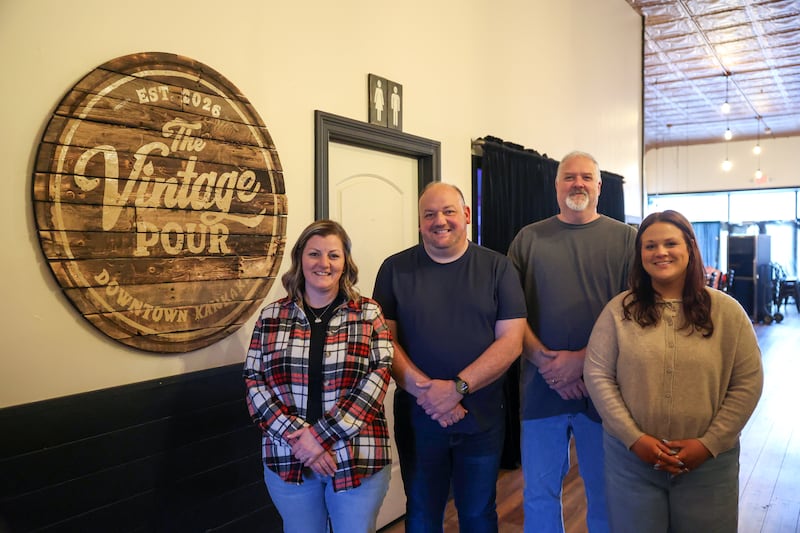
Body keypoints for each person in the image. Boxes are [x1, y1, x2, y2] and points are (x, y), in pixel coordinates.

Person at [584, 210, 763, 533]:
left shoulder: (727, 313)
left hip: (709, 466)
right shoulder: (618, 312)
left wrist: (709, 443)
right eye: (650, 246)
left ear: (690, 248)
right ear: (640, 256)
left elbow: (747, 382)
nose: (660, 252)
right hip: (631, 464)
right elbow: (598, 376)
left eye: (670, 243)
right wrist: (634, 438)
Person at [373, 182, 527, 532]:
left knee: (477, 514)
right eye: (429, 214)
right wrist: (429, 394)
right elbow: (384, 340)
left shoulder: (499, 268)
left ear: (467, 216)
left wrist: (457, 388)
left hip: (481, 416)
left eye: (448, 212)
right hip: (418, 417)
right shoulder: (394, 269)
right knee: (423, 515)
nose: (439, 221)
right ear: (419, 222)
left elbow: (511, 342)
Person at [507, 150, 636, 533]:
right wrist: (548, 365)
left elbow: (633, 313)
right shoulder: (528, 239)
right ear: (556, 185)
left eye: (585, 177)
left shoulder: (627, 239)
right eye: (569, 177)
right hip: (540, 388)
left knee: (605, 492)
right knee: (538, 494)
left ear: (600, 186)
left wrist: (582, 361)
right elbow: (511, 315)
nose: (577, 183)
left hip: (606, 390)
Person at [243, 219, 393, 533]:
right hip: (289, 456)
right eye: (314, 254)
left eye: (333, 255)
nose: (323, 263)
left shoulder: (368, 313)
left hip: (356, 456)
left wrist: (319, 438)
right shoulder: (272, 316)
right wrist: (299, 439)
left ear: (345, 263)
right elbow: (254, 381)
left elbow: (377, 380)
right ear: (300, 259)